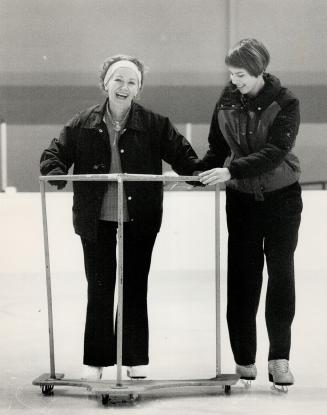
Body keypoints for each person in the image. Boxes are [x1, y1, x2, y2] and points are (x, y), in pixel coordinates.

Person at [40, 54, 200, 380]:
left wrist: (200, 173)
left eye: (132, 82)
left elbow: (185, 157)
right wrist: (55, 172)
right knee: (99, 288)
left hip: (139, 218)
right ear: (105, 83)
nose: (124, 87)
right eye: (118, 80)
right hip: (95, 219)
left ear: (138, 89)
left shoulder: (155, 124)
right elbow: (53, 153)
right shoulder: (83, 122)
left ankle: (133, 357)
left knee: (134, 286)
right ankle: (96, 360)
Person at [198, 39, 302, 387]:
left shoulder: (285, 102)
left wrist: (232, 170)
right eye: (231, 74)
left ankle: (279, 360)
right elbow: (216, 150)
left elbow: (276, 151)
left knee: (280, 275)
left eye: (241, 74)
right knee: (243, 279)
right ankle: (244, 359)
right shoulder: (226, 99)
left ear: (259, 71)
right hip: (241, 201)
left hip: (281, 199)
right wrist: (190, 176)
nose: (235, 81)